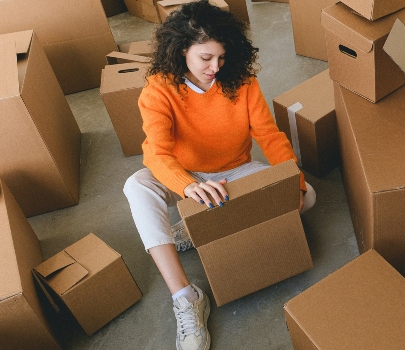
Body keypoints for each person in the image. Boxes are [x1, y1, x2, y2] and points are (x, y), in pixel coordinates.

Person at [123, 2, 315, 349]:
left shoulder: (242, 81)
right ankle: (186, 296)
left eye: (222, 57)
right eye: (206, 58)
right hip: (186, 174)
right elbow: (156, 153)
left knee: (308, 194)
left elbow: (270, 136)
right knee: (136, 185)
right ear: (183, 51)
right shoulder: (159, 88)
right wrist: (189, 185)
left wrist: (295, 185)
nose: (215, 67)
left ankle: (196, 229)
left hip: (235, 170)